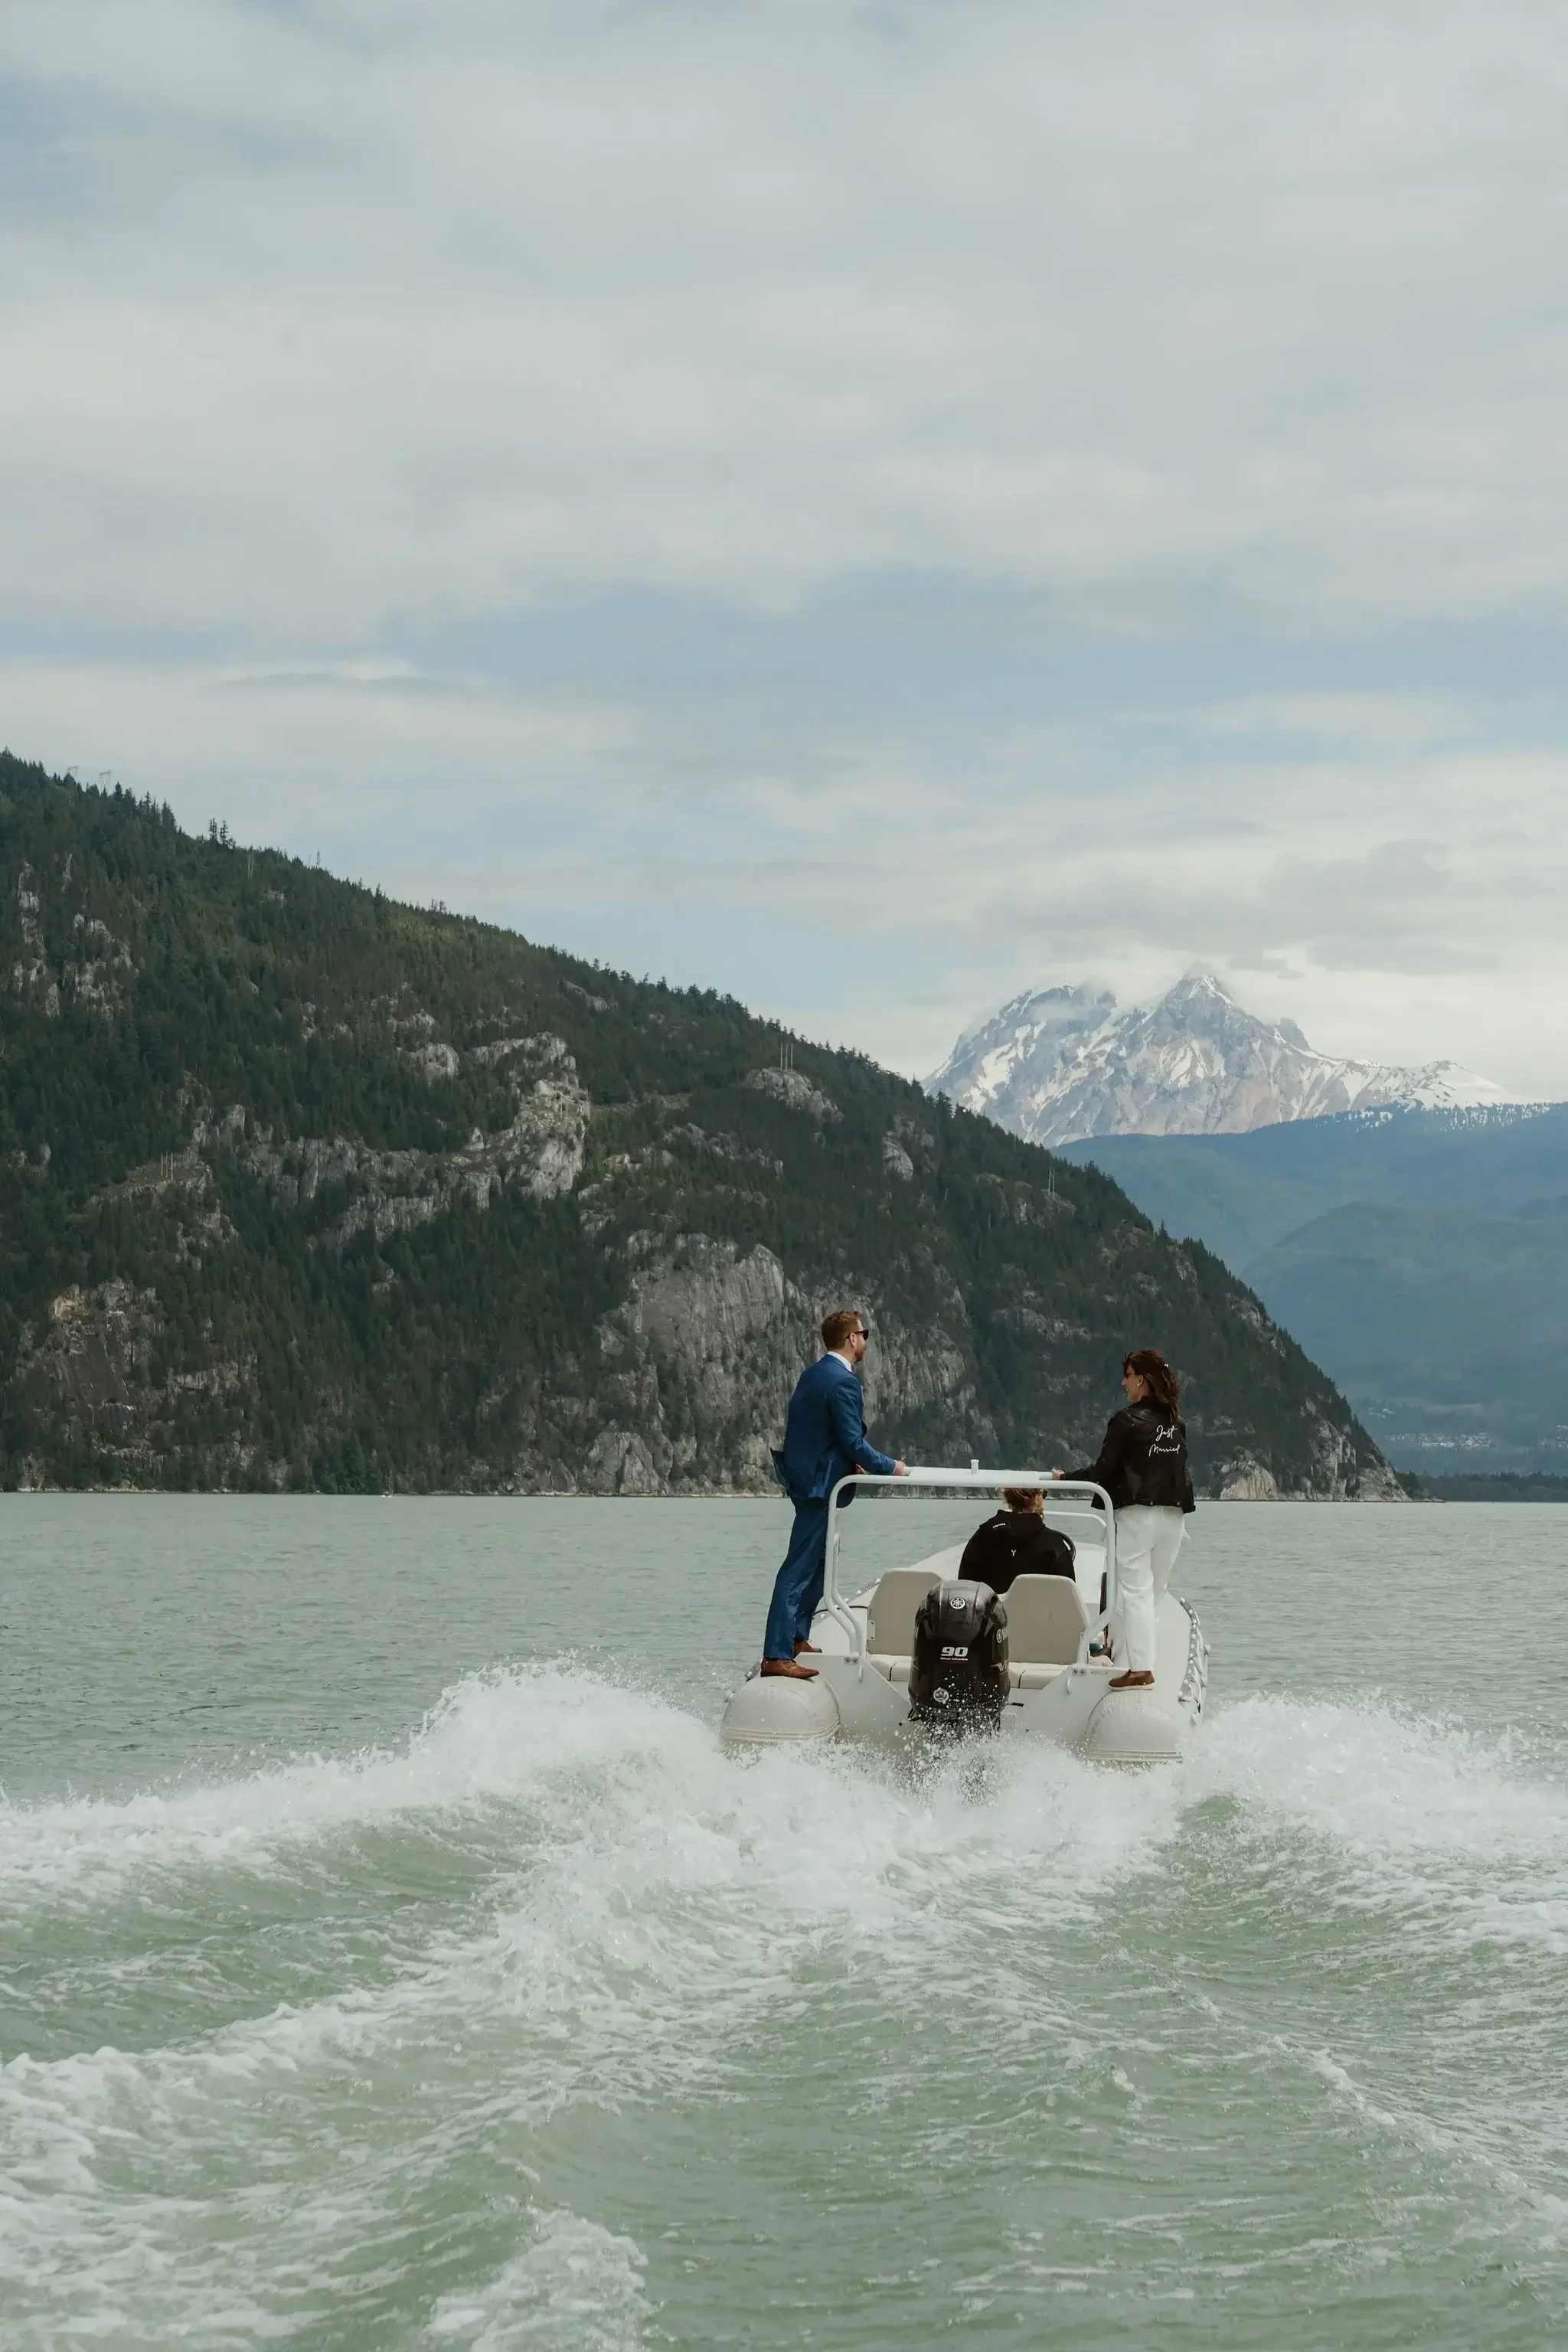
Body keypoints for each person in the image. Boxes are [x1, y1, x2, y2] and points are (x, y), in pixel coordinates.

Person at [762, 1308, 907, 1678]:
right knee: (796, 1570)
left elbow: (819, 1434)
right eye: (864, 1334)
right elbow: (852, 1441)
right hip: (819, 1486)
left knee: (820, 1562)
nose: (865, 1341)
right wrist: (891, 1467)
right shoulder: (843, 1382)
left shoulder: (812, 1375)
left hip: (808, 1478)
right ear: (852, 1338)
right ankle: (776, 1655)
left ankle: (797, 1637)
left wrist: (847, 1462)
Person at [1050, 1348, 1195, 1691]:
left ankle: (1140, 1669)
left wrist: (1064, 1479)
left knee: (1135, 1592)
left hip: (1137, 1517)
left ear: (1141, 1380)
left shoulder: (1125, 1421)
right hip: (1174, 1519)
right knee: (1155, 1592)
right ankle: (1139, 1661)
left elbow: (1102, 1471)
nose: (1123, 1382)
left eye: (1127, 1376)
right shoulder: (1178, 1424)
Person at [958, 1486, 1076, 1596]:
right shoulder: (1054, 1544)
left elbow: (964, 1590)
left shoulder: (981, 1537)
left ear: (1008, 1498)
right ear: (1038, 1497)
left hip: (991, 1617)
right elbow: (1068, 1597)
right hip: (1039, 1617)